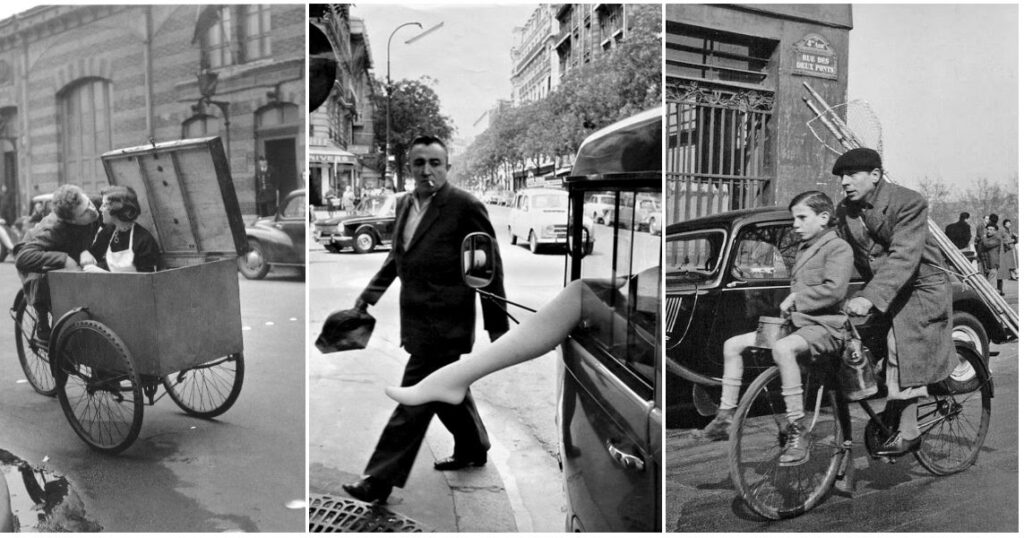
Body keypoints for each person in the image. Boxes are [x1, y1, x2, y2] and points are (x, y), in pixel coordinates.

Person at [341, 135, 509, 505]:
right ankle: (473, 446)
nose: (427, 170)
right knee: (448, 390)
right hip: (416, 320)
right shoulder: (405, 203)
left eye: (435, 162)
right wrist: (368, 296)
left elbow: (487, 266)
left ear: (447, 167)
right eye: (419, 163)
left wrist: (497, 324)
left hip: (447, 325)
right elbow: (397, 258)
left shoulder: (465, 206)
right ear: (410, 168)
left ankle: (379, 479)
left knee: (413, 400)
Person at [700, 191, 852, 466]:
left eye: (801, 218)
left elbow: (835, 290)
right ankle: (724, 417)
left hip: (826, 326)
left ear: (824, 218)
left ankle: (798, 428)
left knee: (782, 349)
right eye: (794, 218)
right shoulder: (806, 248)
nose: (795, 224)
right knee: (732, 345)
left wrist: (798, 298)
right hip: (798, 324)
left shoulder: (838, 248)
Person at [832, 147, 957, 456]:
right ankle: (892, 404)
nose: (845, 182)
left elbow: (904, 256)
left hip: (920, 286)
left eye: (852, 175)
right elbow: (839, 253)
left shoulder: (909, 201)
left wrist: (870, 297)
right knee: (856, 345)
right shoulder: (845, 211)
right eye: (842, 177)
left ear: (875, 175)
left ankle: (911, 428)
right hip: (885, 287)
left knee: (899, 343)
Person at [13, 185, 100, 342]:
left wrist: (87, 250)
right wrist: (63, 259)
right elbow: (22, 258)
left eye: (89, 204)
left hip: (71, 247)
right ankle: (42, 321)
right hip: (39, 251)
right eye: (84, 213)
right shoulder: (53, 229)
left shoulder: (94, 204)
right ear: (71, 220)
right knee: (40, 282)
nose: (92, 211)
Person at [81, 185, 160, 273]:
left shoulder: (143, 240)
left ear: (119, 210)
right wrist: (86, 253)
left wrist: (104, 274)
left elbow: (149, 280)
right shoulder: (108, 232)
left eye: (105, 205)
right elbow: (94, 256)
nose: (100, 209)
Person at [977, 222, 1002, 290]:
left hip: (992, 264)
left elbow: (987, 245)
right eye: (988, 229)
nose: (989, 231)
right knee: (983, 284)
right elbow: (979, 249)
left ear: (995, 231)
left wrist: (983, 238)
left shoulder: (997, 238)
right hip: (983, 263)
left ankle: (993, 299)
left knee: (991, 286)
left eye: (991, 229)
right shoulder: (984, 238)